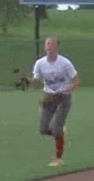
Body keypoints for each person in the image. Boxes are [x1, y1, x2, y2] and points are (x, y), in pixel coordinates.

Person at [31, 36, 80, 167]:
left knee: (55, 128)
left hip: (63, 97)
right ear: (44, 47)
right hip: (49, 97)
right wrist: (32, 82)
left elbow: (76, 81)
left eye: (52, 44)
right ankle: (61, 133)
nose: (50, 47)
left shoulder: (65, 63)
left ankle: (58, 158)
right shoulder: (40, 63)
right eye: (47, 44)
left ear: (57, 47)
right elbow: (36, 81)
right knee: (43, 129)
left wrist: (69, 88)